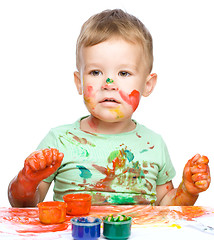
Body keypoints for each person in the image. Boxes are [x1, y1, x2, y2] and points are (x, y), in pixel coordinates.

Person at [8, 9, 211, 207]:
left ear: (147, 85)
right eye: (96, 72)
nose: (108, 83)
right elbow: (23, 205)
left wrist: (187, 190)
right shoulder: (59, 141)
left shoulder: (154, 144)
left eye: (123, 73)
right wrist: (27, 180)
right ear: (79, 82)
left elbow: (165, 205)